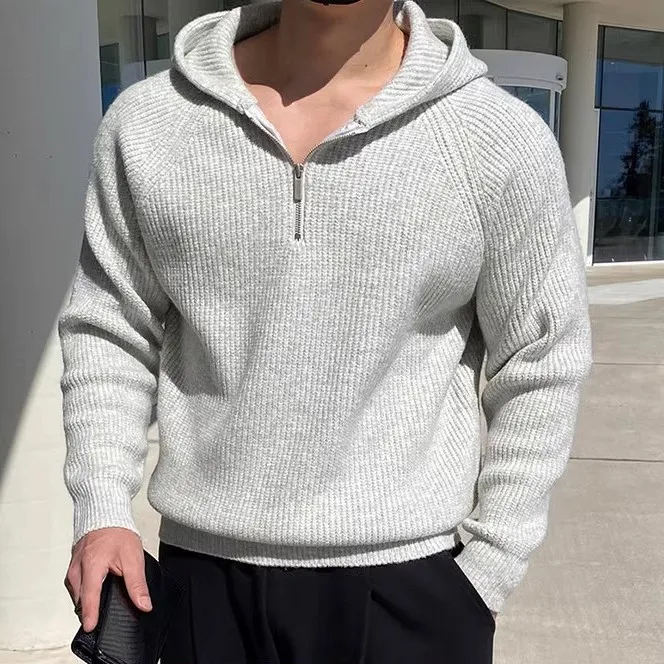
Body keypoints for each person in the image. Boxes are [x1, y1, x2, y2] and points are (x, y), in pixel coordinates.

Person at [58, 0, 593, 661]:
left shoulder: (495, 138)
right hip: (204, 584)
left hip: (413, 589)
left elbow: (541, 358)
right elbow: (109, 328)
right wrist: (102, 509)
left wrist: (488, 570)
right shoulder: (150, 124)